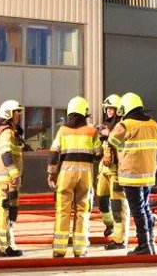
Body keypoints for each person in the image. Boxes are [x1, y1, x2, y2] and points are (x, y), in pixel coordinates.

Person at [104, 92, 157, 255]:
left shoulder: (124, 125)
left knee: (138, 210)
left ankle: (144, 246)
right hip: (148, 176)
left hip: (130, 176)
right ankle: (150, 244)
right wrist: (151, 169)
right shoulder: (153, 124)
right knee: (146, 209)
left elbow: (111, 144)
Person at [48, 97, 101, 258]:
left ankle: (59, 250)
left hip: (66, 176)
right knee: (82, 211)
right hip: (85, 177)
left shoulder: (63, 131)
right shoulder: (91, 131)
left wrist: (51, 174)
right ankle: (80, 249)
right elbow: (99, 153)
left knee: (63, 212)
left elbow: (54, 153)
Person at [0, 99, 25, 256]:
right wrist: (14, 173)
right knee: (6, 211)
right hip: (6, 179)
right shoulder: (6, 132)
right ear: (9, 114)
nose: (19, 115)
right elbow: (6, 153)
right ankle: (5, 247)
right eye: (16, 112)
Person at [96, 94, 130, 250]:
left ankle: (119, 239)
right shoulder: (107, 124)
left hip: (116, 170)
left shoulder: (122, 125)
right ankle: (109, 225)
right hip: (104, 168)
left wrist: (107, 135)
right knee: (101, 198)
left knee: (117, 205)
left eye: (112, 108)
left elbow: (120, 144)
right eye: (108, 108)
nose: (109, 111)